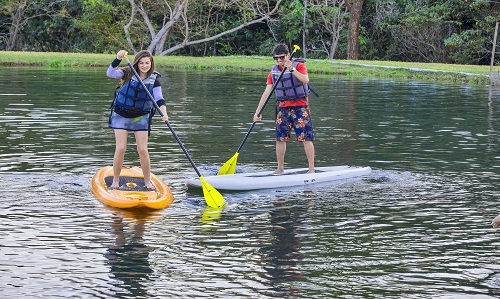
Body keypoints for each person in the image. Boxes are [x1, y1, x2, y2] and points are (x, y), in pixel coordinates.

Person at [106, 50, 168, 190]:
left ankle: (147, 182)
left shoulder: (154, 80)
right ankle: (115, 181)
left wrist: (164, 113)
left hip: (140, 116)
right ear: (137, 63)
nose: (144, 65)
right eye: (141, 63)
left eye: (147, 63)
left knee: (143, 150)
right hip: (121, 114)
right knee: (121, 148)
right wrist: (117, 58)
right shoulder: (128, 72)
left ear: (151, 63)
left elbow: (159, 99)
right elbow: (110, 73)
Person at [253, 43, 315, 174]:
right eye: (276, 58)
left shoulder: (299, 66)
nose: (279, 61)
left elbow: (305, 80)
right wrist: (258, 112)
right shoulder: (274, 71)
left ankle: (311, 170)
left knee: (306, 138)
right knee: (280, 139)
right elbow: (267, 92)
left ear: (288, 55)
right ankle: (280, 168)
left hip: (300, 107)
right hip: (283, 108)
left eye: (281, 57)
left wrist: (292, 69)